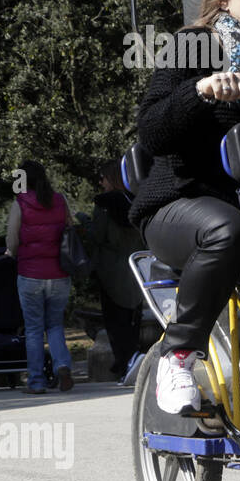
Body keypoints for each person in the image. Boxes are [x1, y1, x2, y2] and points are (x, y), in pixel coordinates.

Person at [130, 0, 240, 413]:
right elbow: (151, 131)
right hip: (179, 203)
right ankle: (178, 355)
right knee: (225, 230)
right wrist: (199, 90)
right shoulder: (194, 44)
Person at [4, 160, 74, 393]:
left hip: (30, 275)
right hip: (59, 274)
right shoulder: (60, 200)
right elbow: (69, 230)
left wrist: (11, 253)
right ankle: (62, 364)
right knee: (55, 325)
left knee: (34, 329)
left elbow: (12, 238)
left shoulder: (20, 203)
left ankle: (36, 382)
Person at [88, 160, 145, 379]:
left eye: (102, 178)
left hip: (110, 270)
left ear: (111, 179)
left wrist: (85, 222)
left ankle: (123, 362)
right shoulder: (136, 200)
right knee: (132, 320)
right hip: (135, 267)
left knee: (114, 321)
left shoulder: (103, 205)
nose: (100, 183)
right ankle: (133, 358)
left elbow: (98, 236)